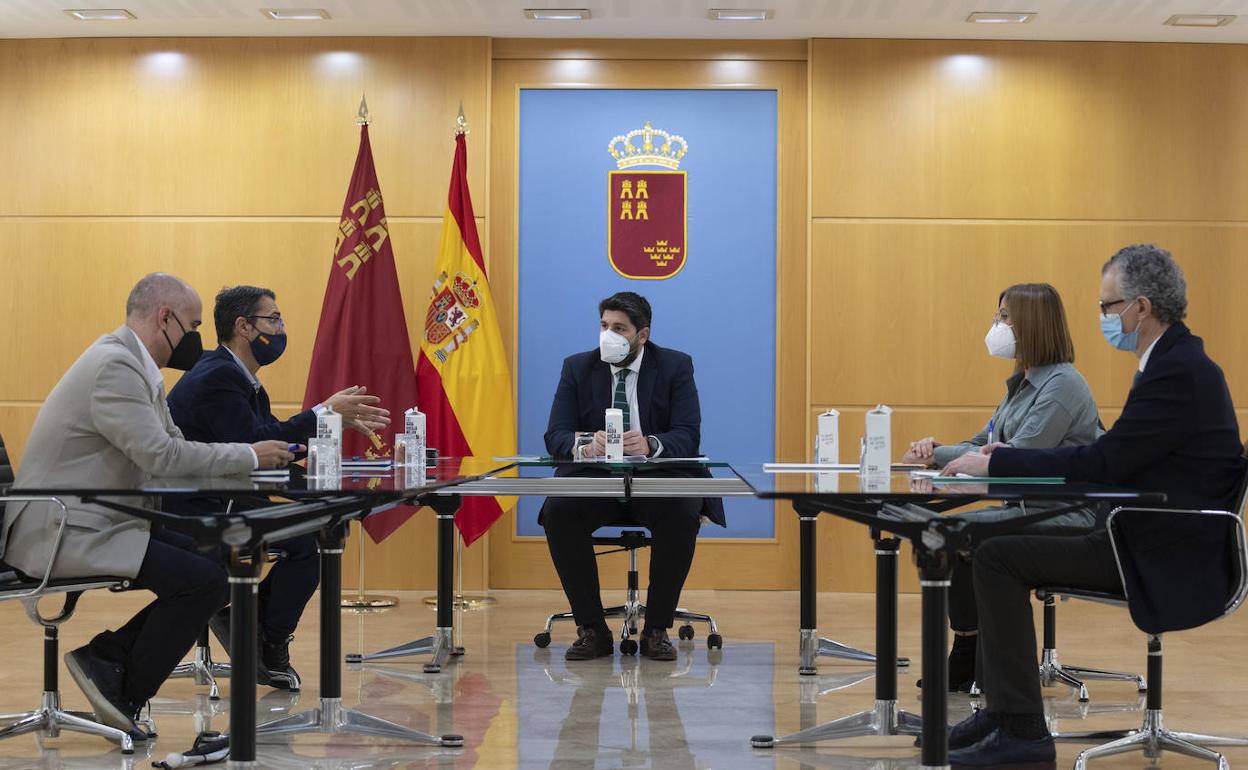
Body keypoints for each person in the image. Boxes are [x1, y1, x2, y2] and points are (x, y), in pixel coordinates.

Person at [941, 245, 1246, 766]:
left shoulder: (1177, 371)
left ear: (1141, 308)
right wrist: (1001, 457)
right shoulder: (1175, 363)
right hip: (1144, 534)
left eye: (1109, 308)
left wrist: (1000, 464)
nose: (1104, 319)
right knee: (993, 548)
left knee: (995, 556)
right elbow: (1114, 461)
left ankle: (1020, 733)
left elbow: (1102, 462)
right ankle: (1003, 714)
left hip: (1160, 551)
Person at [0, 273, 294, 740]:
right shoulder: (115, 368)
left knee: (216, 556)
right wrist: (247, 455)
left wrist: (246, 462)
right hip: (63, 528)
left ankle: (110, 660)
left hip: (100, 519)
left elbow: (174, 451)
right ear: (165, 318)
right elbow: (163, 457)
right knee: (205, 580)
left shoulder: (136, 367)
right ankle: (120, 684)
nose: (197, 337)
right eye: (193, 324)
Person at [166, 285, 390, 689]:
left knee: (322, 526)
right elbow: (257, 446)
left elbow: (268, 450)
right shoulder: (217, 377)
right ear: (243, 326)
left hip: (228, 498)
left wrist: (327, 437)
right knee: (309, 539)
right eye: (273, 319)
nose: (282, 328)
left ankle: (249, 626)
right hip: (193, 511)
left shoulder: (243, 380)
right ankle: (262, 637)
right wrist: (323, 413)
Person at [901, 283, 1102, 691]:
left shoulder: (1063, 385)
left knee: (961, 536)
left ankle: (971, 657)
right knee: (947, 533)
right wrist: (936, 452)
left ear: (1032, 324)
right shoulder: (1022, 383)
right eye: (997, 315)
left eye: (1005, 317)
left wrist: (976, 459)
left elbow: (1019, 458)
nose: (996, 325)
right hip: (1025, 507)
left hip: (1064, 515)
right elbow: (983, 443)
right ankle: (968, 650)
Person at [540, 292, 724, 661]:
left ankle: (657, 629)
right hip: (596, 479)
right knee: (558, 511)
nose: (609, 335)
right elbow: (555, 435)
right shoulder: (577, 367)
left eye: (619, 328)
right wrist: (583, 446)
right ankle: (591, 630)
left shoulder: (675, 366)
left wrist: (652, 443)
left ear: (642, 335)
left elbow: (688, 434)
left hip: (659, 478)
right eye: (604, 326)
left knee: (683, 511)